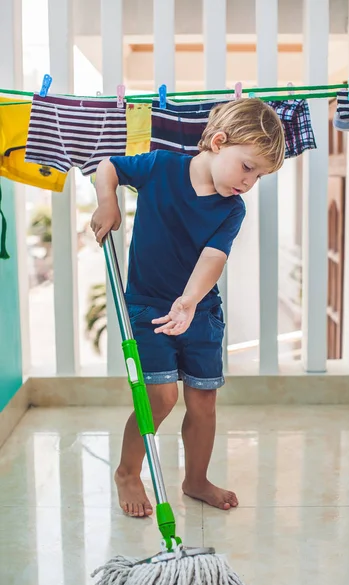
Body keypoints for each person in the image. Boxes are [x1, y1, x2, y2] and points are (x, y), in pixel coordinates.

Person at [90, 97, 285, 517]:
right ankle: (127, 471)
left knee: (203, 401)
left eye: (260, 176)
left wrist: (190, 301)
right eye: (247, 167)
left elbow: (213, 257)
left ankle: (196, 479)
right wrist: (109, 201)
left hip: (200, 311)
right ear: (218, 141)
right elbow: (107, 167)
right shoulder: (161, 167)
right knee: (159, 398)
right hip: (147, 308)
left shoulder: (232, 207)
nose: (250, 182)